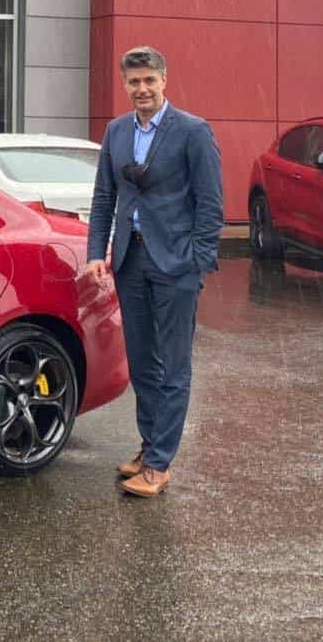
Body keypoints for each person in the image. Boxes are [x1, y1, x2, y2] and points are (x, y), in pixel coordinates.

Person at [83, 46, 223, 498]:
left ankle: (160, 463)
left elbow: (210, 204)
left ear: (164, 81)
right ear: (125, 85)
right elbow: (105, 196)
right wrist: (95, 251)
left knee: (173, 365)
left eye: (149, 81)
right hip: (130, 259)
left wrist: (197, 260)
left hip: (176, 263)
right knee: (142, 361)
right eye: (133, 82)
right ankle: (148, 447)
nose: (141, 89)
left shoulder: (193, 132)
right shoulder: (117, 131)